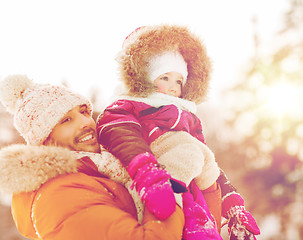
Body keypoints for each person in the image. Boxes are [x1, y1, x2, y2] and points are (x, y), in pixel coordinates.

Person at [96, 25, 260, 240]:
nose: (173, 87)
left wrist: (232, 203)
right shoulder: (127, 106)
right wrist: (149, 174)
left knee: (197, 155)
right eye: (164, 78)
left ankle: (231, 220)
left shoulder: (187, 117)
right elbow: (121, 135)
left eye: (178, 81)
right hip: (151, 187)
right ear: (143, 77)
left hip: (193, 192)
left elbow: (206, 161)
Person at [0, 75, 185, 240]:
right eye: (66, 120)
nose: (85, 123)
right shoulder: (59, 195)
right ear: (46, 140)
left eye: (83, 111)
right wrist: (170, 187)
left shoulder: (107, 167)